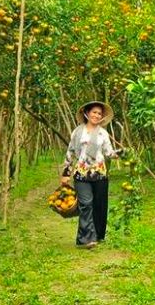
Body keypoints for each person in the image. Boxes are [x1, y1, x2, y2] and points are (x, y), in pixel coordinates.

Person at [61, 101, 119, 249]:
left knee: (99, 206)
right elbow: (71, 152)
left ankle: (98, 235)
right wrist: (66, 173)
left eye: (99, 113)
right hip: (81, 174)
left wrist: (119, 154)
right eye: (94, 112)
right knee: (86, 204)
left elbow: (108, 152)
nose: (96, 115)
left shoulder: (103, 133)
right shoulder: (77, 132)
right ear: (86, 113)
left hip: (99, 174)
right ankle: (86, 238)